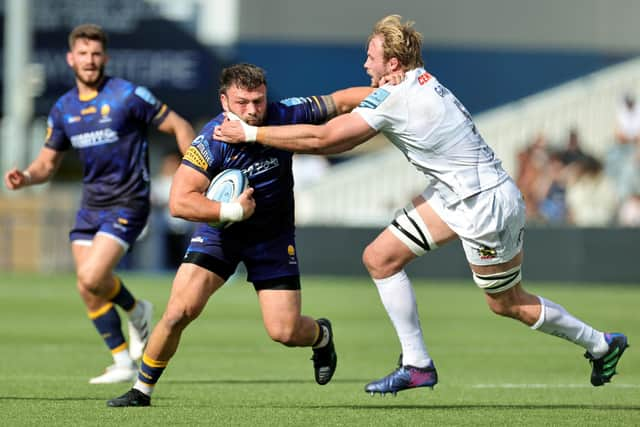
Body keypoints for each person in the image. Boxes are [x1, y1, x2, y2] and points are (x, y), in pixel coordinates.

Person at [214, 15, 629, 395]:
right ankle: (417, 364)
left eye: (371, 57)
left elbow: (326, 140)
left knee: (506, 302)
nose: (365, 64)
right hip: (458, 196)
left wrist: (253, 135)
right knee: (380, 258)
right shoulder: (417, 82)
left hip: (483, 204)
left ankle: (600, 343)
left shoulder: (394, 98)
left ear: (393, 63)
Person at [107, 63, 375, 407]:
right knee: (178, 312)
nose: (252, 110)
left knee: (285, 331)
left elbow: (339, 102)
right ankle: (141, 391)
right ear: (224, 102)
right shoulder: (211, 139)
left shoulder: (284, 113)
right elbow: (179, 201)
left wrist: (394, 94)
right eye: (243, 102)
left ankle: (321, 336)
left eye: (258, 101)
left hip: (272, 237)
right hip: (222, 233)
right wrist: (230, 211)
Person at [3, 24, 195, 384]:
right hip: (91, 204)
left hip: (129, 201)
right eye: (83, 54)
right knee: (87, 286)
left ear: (104, 58)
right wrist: (26, 177)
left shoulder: (127, 95)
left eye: (95, 54)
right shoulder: (63, 109)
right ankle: (123, 357)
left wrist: (195, 173)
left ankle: (137, 313)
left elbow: (180, 126)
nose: (89, 61)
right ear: (70, 58)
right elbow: (46, 164)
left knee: (93, 275)